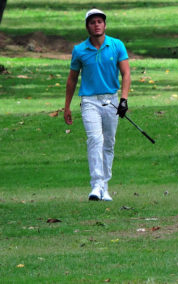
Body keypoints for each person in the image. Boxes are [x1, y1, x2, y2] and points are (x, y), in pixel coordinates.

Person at [64, 8, 131, 201]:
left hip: (111, 100)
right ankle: (96, 185)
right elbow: (72, 80)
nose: (97, 25)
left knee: (108, 143)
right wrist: (67, 106)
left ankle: (105, 187)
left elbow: (126, 73)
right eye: (92, 22)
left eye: (100, 21)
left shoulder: (117, 45)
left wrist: (124, 100)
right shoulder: (79, 50)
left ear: (105, 24)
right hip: (89, 101)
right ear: (87, 27)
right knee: (95, 140)